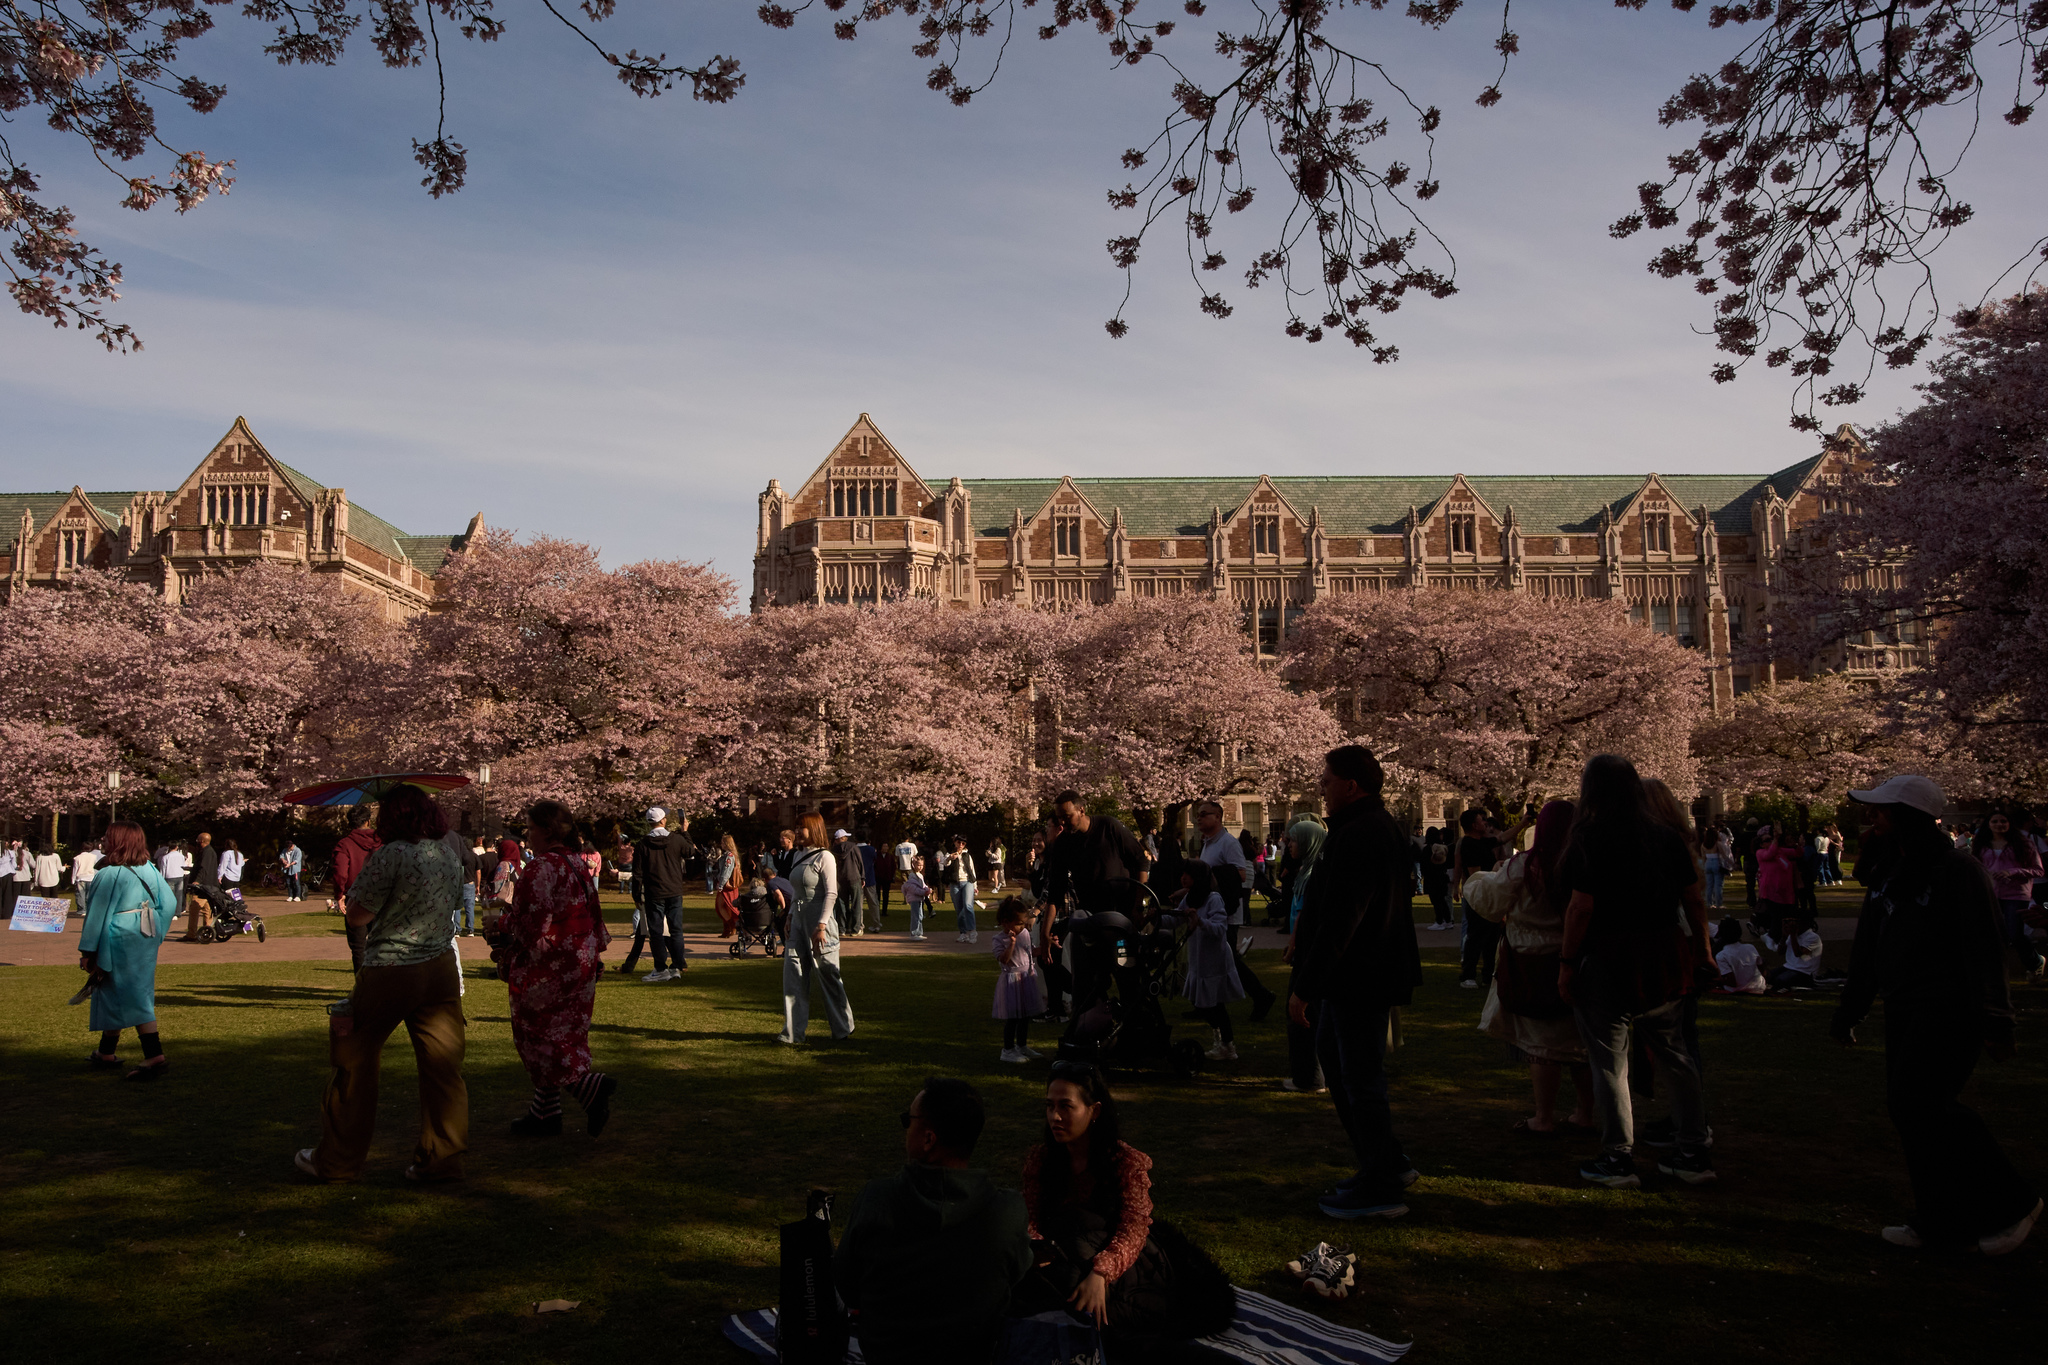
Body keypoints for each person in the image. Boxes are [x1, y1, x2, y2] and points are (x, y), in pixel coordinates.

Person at [1833, 774, 2041, 1255]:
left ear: (1908, 817)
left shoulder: (1958, 870)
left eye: (1882, 811)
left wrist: (1997, 1020)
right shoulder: (1889, 870)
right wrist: (1851, 1009)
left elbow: (1984, 950)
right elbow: (1870, 946)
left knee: (1924, 1105)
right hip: (1905, 1008)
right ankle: (1938, 1220)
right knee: (1909, 1113)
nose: (1873, 818)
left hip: (1950, 1009)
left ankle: (2014, 1201)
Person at [1557, 754, 1716, 1189]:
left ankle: (1618, 1156)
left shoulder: (1589, 836)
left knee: (1609, 1060)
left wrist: (1567, 963)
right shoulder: (1664, 836)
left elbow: (1581, 906)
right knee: (1676, 1054)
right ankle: (1692, 1149)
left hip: (1609, 954)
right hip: (1663, 951)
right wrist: (1702, 951)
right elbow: (1693, 897)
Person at [297, 784, 468, 1183]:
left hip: (392, 968)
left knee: (354, 1061)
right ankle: (442, 1160)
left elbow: (357, 915)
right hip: (440, 968)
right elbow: (455, 902)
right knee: (443, 1068)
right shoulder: (446, 851)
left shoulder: (391, 854)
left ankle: (337, 1160)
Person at [1014, 1062, 1236, 1356]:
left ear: (1094, 1111)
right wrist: (1037, 1248)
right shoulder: (1042, 1159)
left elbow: (1134, 1227)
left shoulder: (1124, 1162)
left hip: (1123, 1257)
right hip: (1064, 1248)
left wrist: (1100, 1274)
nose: (1054, 1116)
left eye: (1066, 1107)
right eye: (1049, 1106)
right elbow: (1030, 1216)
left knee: (1091, 1292)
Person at [1288, 744, 1423, 1221]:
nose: (1321, 789)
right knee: (1340, 1063)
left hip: (1360, 974)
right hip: (1360, 972)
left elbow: (1345, 916)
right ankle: (1384, 1160)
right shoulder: (1362, 827)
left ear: (1352, 784)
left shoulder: (1362, 832)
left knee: (1359, 1076)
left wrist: (1306, 985)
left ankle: (1381, 1182)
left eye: (1326, 781)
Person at [834, 1078, 1033, 1365]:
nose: (905, 1128)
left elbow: (847, 1285)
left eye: (908, 1120)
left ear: (928, 1139)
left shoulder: (876, 1199)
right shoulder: (1007, 1211)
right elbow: (1016, 1278)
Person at [1463, 799, 1596, 1136]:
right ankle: (1584, 1112)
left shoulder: (1525, 866)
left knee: (1542, 1045)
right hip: (1576, 955)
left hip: (1532, 958)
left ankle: (1544, 1116)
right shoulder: (1585, 864)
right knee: (1581, 1044)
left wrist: (1478, 878)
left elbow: (1491, 902)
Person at [492, 800, 618, 1138]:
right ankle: (544, 1113)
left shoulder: (542, 867)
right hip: (579, 958)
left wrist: (501, 925)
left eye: (531, 828)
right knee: (567, 1032)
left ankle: (588, 1087)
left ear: (546, 830)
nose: (527, 836)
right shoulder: (575, 863)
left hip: (549, 963)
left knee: (538, 1034)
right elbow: (593, 911)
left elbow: (533, 921)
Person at [77, 821, 180, 1081]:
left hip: (119, 938)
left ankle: (154, 1055)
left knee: (130, 993)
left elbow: (97, 915)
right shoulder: (150, 869)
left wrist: (88, 950)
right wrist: (156, 933)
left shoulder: (108, 874)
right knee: (118, 991)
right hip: (144, 935)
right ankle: (105, 1052)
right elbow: (169, 903)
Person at [1192, 799, 1276, 1022]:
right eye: (1198, 814)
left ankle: (1261, 995)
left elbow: (1240, 874)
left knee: (1228, 961)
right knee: (1216, 960)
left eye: (1204, 814)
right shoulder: (1208, 842)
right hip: (1211, 910)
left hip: (1226, 912)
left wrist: (1209, 879)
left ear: (1218, 817)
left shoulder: (1228, 843)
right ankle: (1206, 1004)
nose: (1198, 818)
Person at [779, 813, 854, 1045]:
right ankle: (792, 1033)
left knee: (827, 973)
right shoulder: (797, 856)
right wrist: (790, 916)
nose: (799, 831)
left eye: (803, 827)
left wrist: (821, 925)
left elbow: (831, 893)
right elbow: (796, 892)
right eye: (797, 826)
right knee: (793, 974)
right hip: (798, 920)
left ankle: (843, 1028)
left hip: (819, 921)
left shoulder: (825, 857)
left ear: (815, 829)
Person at [1177, 861, 1245, 1063]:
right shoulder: (1190, 897)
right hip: (1199, 961)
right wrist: (1157, 917)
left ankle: (1227, 1046)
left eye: (1188, 874)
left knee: (1215, 1006)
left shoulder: (1213, 898)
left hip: (1214, 962)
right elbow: (1178, 917)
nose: (1183, 878)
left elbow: (1219, 928)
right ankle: (1222, 1042)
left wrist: (1201, 922)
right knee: (1204, 1005)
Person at [1278, 817, 1328, 1094]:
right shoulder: (1306, 872)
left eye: (1295, 840)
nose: (1289, 844)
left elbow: (1307, 919)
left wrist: (1296, 945)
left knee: (1303, 1013)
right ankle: (1309, 1075)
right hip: (1303, 950)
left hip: (1309, 953)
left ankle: (1309, 1078)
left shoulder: (1313, 878)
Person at [1046, 791, 1148, 917]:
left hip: (1123, 908)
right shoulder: (1062, 843)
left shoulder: (1108, 827)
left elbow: (1141, 862)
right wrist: (1045, 930)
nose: (1062, 822)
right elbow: (1056, 889)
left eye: (1067, 816)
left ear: (1081, 811)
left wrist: (1138, 906)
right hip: (1090, 912)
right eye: (1059, 818)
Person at [1975, 811, 2046, 977]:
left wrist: (2012, 872)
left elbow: (2038, 870)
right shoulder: (1982, 845)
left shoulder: (2024, 844)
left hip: (2016, 893)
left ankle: (2035, 961)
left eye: (2003, 821)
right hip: (1991, 892)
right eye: (1995, 821)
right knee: (1993, 933)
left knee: (2015, 933)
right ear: (1988, 824)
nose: (2000, 824)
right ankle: (1997, 970)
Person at [635, 806, 694, 982]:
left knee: (656, 932)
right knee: (676, 930)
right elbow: (690, 851)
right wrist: (685, 832)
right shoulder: (676, 840)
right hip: (674, 890)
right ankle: (677, 965)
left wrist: (637, 895)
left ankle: (661, 968)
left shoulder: (642, 844)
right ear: (663, 821)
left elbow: (637, 873)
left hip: (654, 892)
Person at [1453, 809, 1504, 991]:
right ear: (1474, 825)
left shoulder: (1482, 842)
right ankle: (1468, 975)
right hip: (1478, 898)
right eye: (1482, 821)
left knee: (1491, 938)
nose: (1485, 823)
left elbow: (1501, 838)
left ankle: (1488, 974)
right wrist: (1496, 871)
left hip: (1488, 896)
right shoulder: (1468, 844)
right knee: (1475, 937)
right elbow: (1476, 875)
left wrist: (1523, 823)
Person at [993, 897, 1047, 1063]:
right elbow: (1004, 959)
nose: (1022, 927)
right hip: (1011, 980)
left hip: (1026, 978)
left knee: (1025, 1016)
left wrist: (1047, 946)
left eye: (1023, 923)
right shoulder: (999, 939)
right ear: (1006, 923)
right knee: (1013, 1017)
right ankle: (1007, 1050)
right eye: (1019, 923)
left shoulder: (1024, 934)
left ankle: (1021, 1045)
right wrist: (1011, 944)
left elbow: (1030, 952)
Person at [331, 807, 384, 972]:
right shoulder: (382, 842)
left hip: (356, 897)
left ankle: (362, 984)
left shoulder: (345, 844)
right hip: (381, 896)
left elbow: (340, 872)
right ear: (369, 821)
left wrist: (339, 894)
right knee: (382, 943)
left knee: (358, 947)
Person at [1749, 822, 1800, 943]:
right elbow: (1770, 853)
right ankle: (1772, 936)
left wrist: (1796, 845)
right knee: (1777, 915)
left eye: (1770, 839)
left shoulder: (1780, 851)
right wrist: (1776, 838)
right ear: (1761, 844)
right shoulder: (1760, 853)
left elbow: (1797, 853)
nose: (1769, 842)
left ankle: (1779, 935)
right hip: (1772, 890)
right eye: (1766, 840)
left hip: (1785, 889)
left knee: (1785, 914)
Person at [833, 827, 868, 939]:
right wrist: (863, 877)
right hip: (854, 877)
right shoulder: (853, 847)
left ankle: (842, 928)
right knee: (856, 904)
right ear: (843, 838)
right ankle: (855, 928)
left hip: (840, 879)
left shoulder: (834, 850)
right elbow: (859, 862)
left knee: (842, 905)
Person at [944, 834, 979, 943]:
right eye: (959, 842)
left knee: (968, 905)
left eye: (963, 843)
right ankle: (963, 933)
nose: (960, 845)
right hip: (955, 883)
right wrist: (950, 857)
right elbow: (945, 863)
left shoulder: (967, 855)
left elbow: (972, 870)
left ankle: (972, 931)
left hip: (967, 881)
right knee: (959, 909)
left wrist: (975, 886)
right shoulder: (949, 854)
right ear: (955, 842)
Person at [1419, 826, 1453, 930]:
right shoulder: (1442, 847)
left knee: (1436, 900)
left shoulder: (1428, 849)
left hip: (1432, 878)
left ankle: (1439, 921)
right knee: (1442, 899)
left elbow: (1424, 864)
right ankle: (1447, 920)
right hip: (1442, 877)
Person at [709, 834, 741, 938]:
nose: (721, 844)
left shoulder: (729, 856)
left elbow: (726, 872)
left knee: (724, 906)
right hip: (725, 885)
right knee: (724, 907)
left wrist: (721, 884)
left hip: (727, 886)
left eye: (723, 842)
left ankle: (732, 926)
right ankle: (728, 928)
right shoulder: (727, 855)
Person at [902, 855, 932, 941]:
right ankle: (914, 933)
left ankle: (919, 932)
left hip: (920, 898)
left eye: (922, 865)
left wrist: (927, 890)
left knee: (920, 915)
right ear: (913, 865)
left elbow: (923, 886)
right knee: (916, 916)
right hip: (914, 899)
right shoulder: (912, 876)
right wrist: (924, 892)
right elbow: (914, 889)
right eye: (918, 865)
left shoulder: (920, 875)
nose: (920, 867)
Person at [70, 839, 101, 915]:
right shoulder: (94, 857)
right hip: (91, 877)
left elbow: (75, 869)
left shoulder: (77, 858)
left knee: (80, 895)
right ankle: (89, 908)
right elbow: (95, 867)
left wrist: (73, 879)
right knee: (89, 894)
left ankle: (82, 910)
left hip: (80, 877)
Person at [156, 840, 187, 917]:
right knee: (179, 895)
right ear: (177, 847)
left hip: (169, 877)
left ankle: (171, 912)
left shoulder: (166, 857)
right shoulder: (181, 856)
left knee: (170, 896)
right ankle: (178, 912)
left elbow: (163, 869)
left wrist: (161, 879)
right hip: (179, 876)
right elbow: (183, 866)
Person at [216, 838, 245, 902]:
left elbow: (223, 866)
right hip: (236, 878)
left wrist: (219, 876)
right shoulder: (240, 854)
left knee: (227, 896)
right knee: (235, 896)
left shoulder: (226, 853)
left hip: (228, 877)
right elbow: (241, 864)